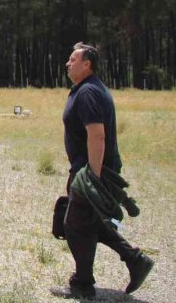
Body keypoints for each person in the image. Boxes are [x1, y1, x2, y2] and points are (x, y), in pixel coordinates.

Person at [52, 43, 154, 300]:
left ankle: (82, 285)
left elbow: (97, 136)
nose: (68, 63)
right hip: (88, 169)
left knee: (74, 226)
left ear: (87, 64)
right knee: (90, 222)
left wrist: (92, 179)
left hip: (92, 172)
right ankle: (135, 259)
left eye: (73, 59)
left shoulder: (88, 93)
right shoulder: (88, 89)